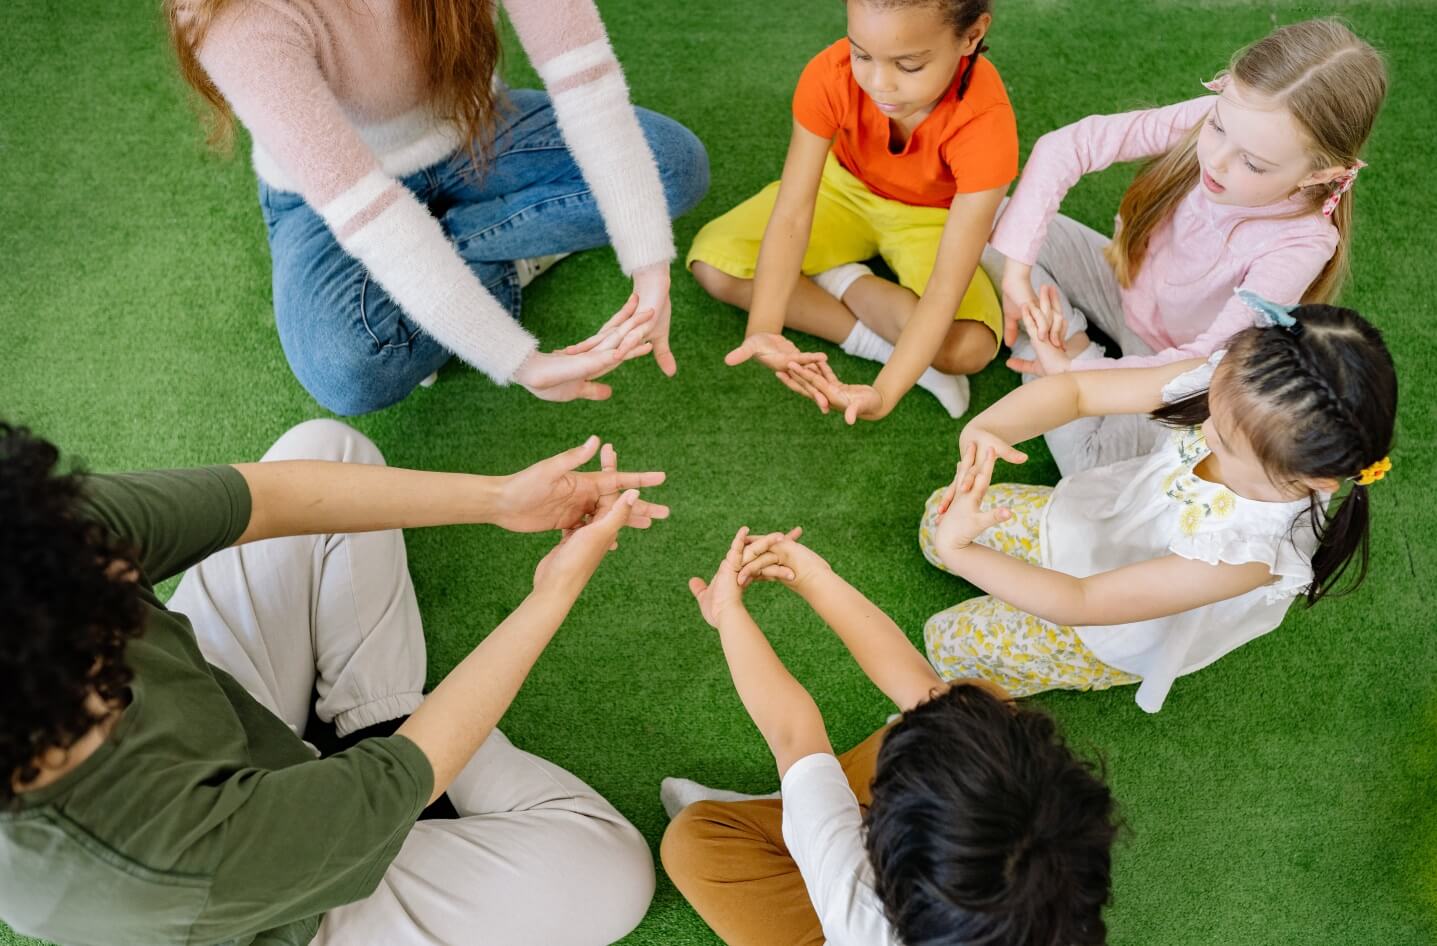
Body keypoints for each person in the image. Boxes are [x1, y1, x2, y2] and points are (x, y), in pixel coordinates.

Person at [0, 418, 669, 945]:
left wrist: (501, 498)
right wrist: (550, 594)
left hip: (231, 732)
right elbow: (398, 775)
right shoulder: (159, 863)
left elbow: (264, 497)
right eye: (112, 612)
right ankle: (389, 722)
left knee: (327, 448)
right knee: (612, 874)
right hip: (282, 915)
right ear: (75, 693)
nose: (126, 569)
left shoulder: (40, 545)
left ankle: (373, 712)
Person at [167, 0, 710, 415]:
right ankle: (503, 256)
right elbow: (370, 215)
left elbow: (585, 79)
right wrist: (519, 362)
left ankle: (445, 282)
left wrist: (648, 263)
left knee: (672, 169)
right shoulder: (227, 13)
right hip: (331, 198)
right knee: (347, 370)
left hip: (472, 129)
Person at [919, 294, 1396, 713]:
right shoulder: (1238, 382)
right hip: (1098, 518)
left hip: (1105, 625)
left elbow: (1081, 600)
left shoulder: (1252, 552)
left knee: (948, 642)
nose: (1204, 429)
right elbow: (1080, 392)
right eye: (1212, 404)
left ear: (1315, 479)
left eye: (1226, 443)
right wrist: (988, 430)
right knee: (935, 520)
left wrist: (965, 552)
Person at [660, 526, 1119, 945]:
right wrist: (816, 578)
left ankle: (795, 809)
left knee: (692, 842)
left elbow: (792, 733)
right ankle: (804, 805)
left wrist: (727, 613)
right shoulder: (1057, 905)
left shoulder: (855, 908)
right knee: (971, 704)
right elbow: (924, 695)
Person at [983, 18, 1386, 474]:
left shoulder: (1303, 244)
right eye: (1217, 127)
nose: (1215, 159)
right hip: (1121, 282)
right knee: (997, 221)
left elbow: (1205, 361)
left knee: (1086, 463)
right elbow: (1068, 146)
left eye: (1252, 164)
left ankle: (1071, 350)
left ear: (1318, 174)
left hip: (1175, 366)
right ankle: (1064, 340)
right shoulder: (1233, 117)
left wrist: (1078, 375)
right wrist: (1017, 274)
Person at [690, 0, 1018, 423]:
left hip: (933, 216)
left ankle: (839, 279)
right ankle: (877, 340)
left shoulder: (986, 126)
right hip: (841, 188)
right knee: (715, 266)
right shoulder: (830, 72)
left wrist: (884, 394)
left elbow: (944, 287)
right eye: (861, 53)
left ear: (971, 36)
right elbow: (793, 211)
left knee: (968, 347)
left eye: (909, 65)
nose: (878, 84)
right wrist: (764, 330)